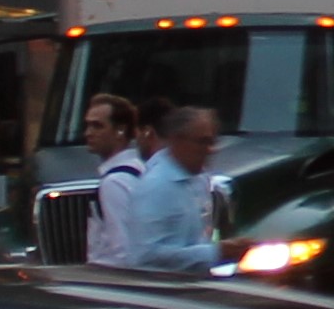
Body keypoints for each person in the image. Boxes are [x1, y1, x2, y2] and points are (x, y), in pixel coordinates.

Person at [106, 102, 225, 273]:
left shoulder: (199, 180)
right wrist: (216, 252)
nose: (210, 150)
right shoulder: (156, 186)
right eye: (202, 142)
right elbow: (144, 256)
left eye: (212, 141)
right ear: (178, 141)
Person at [76, 94, 145, 266]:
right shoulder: (141, 170)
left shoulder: (114, 183)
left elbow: (123, 248)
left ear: (120, 130)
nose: (88, 133)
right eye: (87, 125)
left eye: (97, 126)